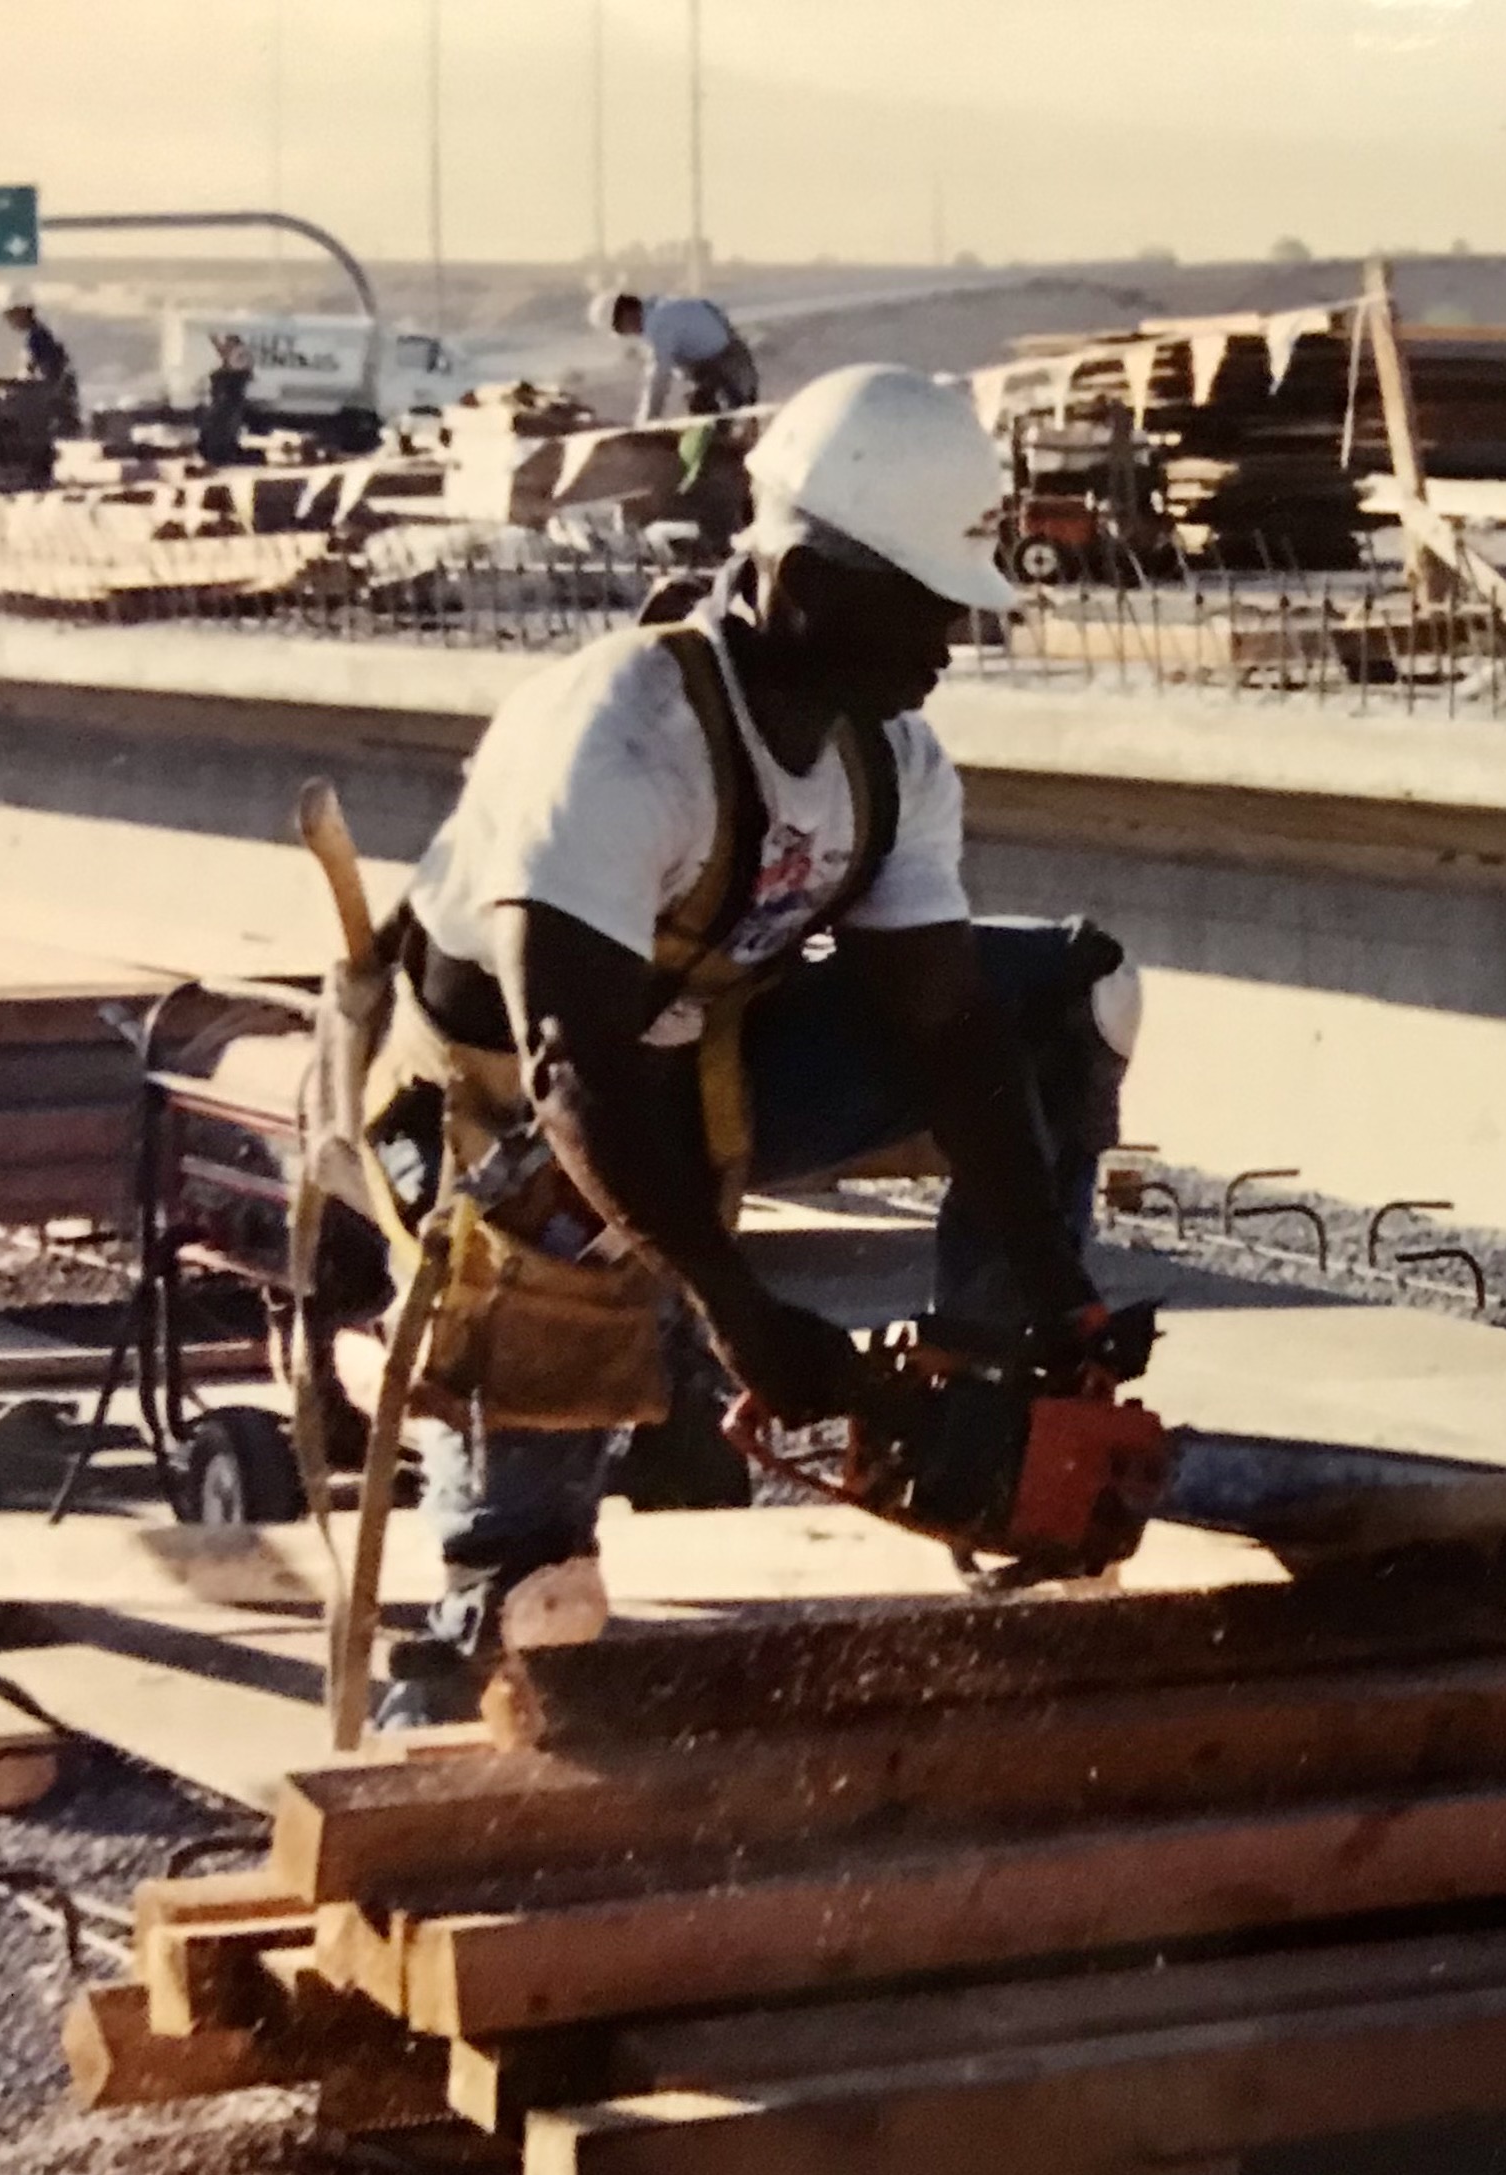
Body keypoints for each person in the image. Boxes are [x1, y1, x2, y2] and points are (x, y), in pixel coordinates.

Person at [345, 363, 1136, 1727]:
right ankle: (483, 1607)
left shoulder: (891, 761)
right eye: (929, 600)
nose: (954, 636)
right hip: (510, 1116)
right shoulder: (619, 739)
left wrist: (1057, 1296)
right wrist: (734, 1310)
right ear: (807, 577)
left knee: (1061, 997)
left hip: (706, 1060)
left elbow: (946, 1027)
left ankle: (982, 1423)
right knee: (546, 1609)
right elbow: (570, 1067)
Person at [595, 288, 761, 423]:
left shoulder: (657, 323)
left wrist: (647, 422)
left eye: (622, 331)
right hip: (733, 360)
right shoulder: (663, 306)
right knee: (727, 418)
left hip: (728, 369)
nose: (630, 334)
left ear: (625, 316)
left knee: (721, 421)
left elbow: (659, 377)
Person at [0, 284, 79, 434]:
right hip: (53, 394)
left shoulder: (38, 338)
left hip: (49, 397)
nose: (11, 322)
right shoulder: (38, 335)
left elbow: (44, 372)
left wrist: (21, 383)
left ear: (22, 314)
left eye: (12, 317)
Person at [197, 333, 256, 466]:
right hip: (227, 406)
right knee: (225, 424)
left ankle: (221, 452)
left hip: (226, 404)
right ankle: (222, 452)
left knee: (223, 424)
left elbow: (227, 358)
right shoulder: (234, 371)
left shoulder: (230, 374)